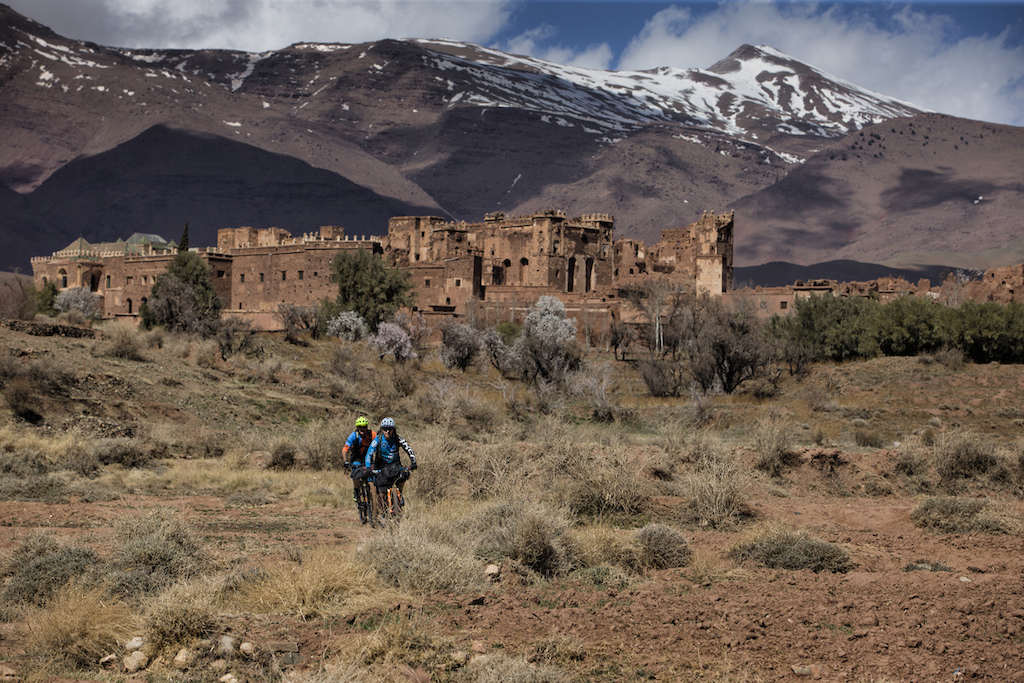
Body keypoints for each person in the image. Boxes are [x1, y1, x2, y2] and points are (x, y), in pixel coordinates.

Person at [364, 417, 417, 498]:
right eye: (385, 429)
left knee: (404, 475)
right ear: (382, 429)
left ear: (393, 429)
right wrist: (368, 467)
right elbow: (369, 454)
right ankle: (382, 509)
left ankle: (399, 494)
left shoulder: (397, 439)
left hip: (395, 465)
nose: (387, 431)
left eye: (390, 429)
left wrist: (413, 462)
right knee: (382, 493)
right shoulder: (378, 439)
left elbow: (408, 449)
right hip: (381, 466)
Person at [342, 416, 375, 522]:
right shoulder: (354, 436)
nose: (362, 429)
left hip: (369, 459)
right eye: (360, 427)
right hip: (356, 459)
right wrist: (345, 461)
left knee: (375, 478)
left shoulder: (372, 435)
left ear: (367, 427)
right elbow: (345, 449)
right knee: (356, 475)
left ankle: (374, 500)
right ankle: (356, 491)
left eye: (364, 427)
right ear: (357, 427)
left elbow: (379, 445)